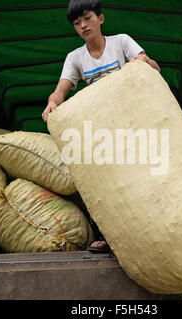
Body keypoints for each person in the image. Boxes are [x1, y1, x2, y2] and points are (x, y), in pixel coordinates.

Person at [42, 0, 160, 252]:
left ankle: (149, 230)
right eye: (77, 23)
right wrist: (52, 104)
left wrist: (143, 62)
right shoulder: (75, 58)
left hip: (131, 122)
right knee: (103, 181)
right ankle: (106, 236)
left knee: (139, 176)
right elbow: (60, 91)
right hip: (100, 129)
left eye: (87, 18)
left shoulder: (121, 42)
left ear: (101, 19)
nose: (83, 26)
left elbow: (150, 67)